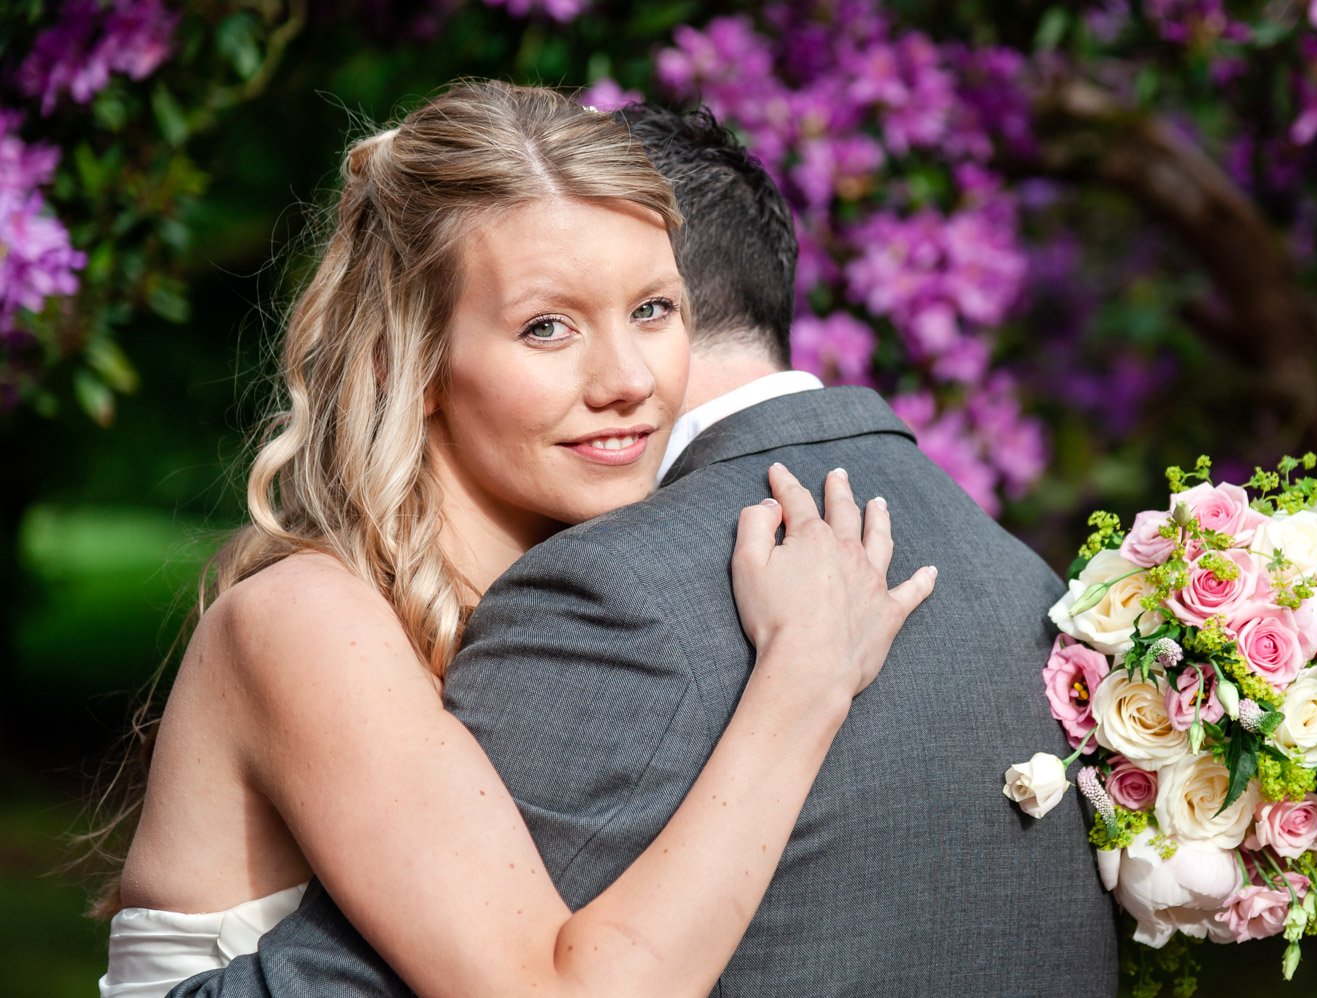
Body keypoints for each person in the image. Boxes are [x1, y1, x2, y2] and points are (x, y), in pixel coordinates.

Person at [167, 105, 1117, 996]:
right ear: (405, 368)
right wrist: (803, 683)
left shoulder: (597, 596)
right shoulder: (308, 619)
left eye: (653, 311)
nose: (627, 380)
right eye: (548, 327)